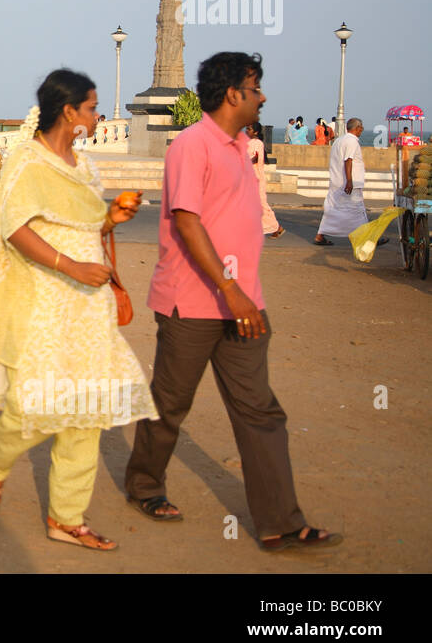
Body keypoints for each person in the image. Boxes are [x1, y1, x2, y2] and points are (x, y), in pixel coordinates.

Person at [125, 51, 340, 551]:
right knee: (171, 402)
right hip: (193, 300)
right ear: (232, 94)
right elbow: (186, 220)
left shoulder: (242, 145)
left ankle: (280, 521)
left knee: (260, 410)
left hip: (243, 303)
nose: (263, 96)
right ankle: (144, 485)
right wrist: (229, 290)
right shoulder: (192, 146)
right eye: (256, 87)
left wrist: (244, 296)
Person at [0, 70, 155, 551]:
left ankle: (67, 518)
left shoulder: (84, 167)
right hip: (41, 300)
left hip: (88, 307)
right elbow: (15, 229)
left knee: (87, 412)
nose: (99, 116)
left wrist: (111, 218)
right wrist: (71, 266)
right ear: (69, 112)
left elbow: (84, 225)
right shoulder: (27, 162)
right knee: (32, 406)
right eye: (93, 108)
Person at [313, 118, 376, 247]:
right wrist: (350, 181)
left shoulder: (339, 141)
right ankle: (368, 237)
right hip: (348, 183)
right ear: (357, 128)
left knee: (332, 209)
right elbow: (348, 160)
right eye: (361, 127)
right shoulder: (351, 141)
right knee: (358, 210)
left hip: (337, 181)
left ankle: (320, 236)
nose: (362, 129)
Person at [246, 122, 284, 237]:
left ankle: (276, 227)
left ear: (256, 132)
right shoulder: (248, 143)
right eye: (246, 129)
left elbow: (255, 158)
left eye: (249, 129)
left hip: (256, 178)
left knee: (262, 205)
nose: (247, 131)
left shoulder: (257, 143)